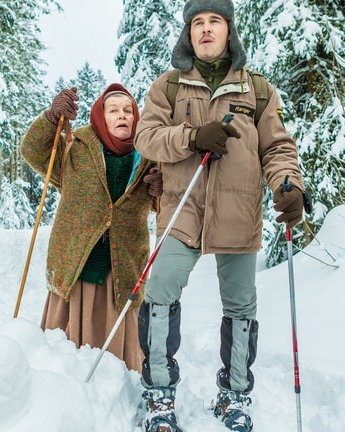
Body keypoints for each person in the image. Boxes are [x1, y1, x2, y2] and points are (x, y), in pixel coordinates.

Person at [133, 1, 309, 431]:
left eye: (215, 22)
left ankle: (234, 396)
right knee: (159, 291)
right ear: (188, 33)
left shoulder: (259, 90)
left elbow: (278, 148)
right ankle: (158, 395)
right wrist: (193, 136)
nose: (206, 30)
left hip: (238, 211)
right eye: (198, 23)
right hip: (183, 209)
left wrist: (288, 184)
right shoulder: (168, 87)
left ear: (229, 31)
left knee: (241, 305)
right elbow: (147, 138)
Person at [21, 83, 162, 372]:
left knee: (118, 362)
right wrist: (50, 118)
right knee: (61, 354)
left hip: (122, 270)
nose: (122, 115)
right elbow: (33, 151)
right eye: (113, 110)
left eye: (128, 110)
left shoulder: (149, 156)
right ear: (100, 116)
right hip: (75, 265)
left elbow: (167, 205)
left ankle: (117, 395)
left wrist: (164, 190)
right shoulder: (76, 147)